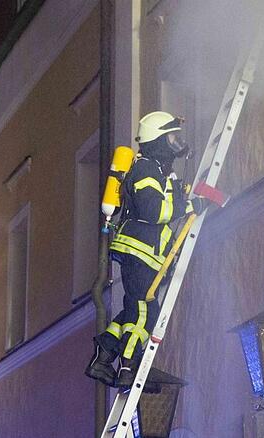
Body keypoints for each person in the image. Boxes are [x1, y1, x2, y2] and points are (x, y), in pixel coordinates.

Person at [85, 111, 208, 388]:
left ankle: (103, 357)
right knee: (145, 313)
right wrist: (191, 205)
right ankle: (128, 367)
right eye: (171, 138)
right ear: (158, 140)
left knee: (133, 309)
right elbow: (154, 211)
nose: (176, 143)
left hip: (143, 254)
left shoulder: (157, 170)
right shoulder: (146, 170)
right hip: (142, 253)